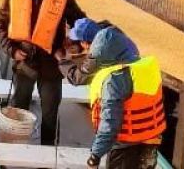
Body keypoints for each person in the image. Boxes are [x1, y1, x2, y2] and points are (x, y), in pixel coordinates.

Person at [0, 0, 85, 145]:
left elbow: (80, 22)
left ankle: (46, 156)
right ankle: (14, 153)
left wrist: (76, 43)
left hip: (52, 67)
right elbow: (0, 23)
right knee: (18, 110)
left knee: (50, 115)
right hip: (25, 64)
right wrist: (11, 50)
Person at [58, 19, 164, 169]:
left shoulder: (113, 81)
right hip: (150, 139)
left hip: (124, 146)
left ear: (88, 44)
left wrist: (95, 155)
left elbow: (109, 124)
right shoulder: (142, 65)